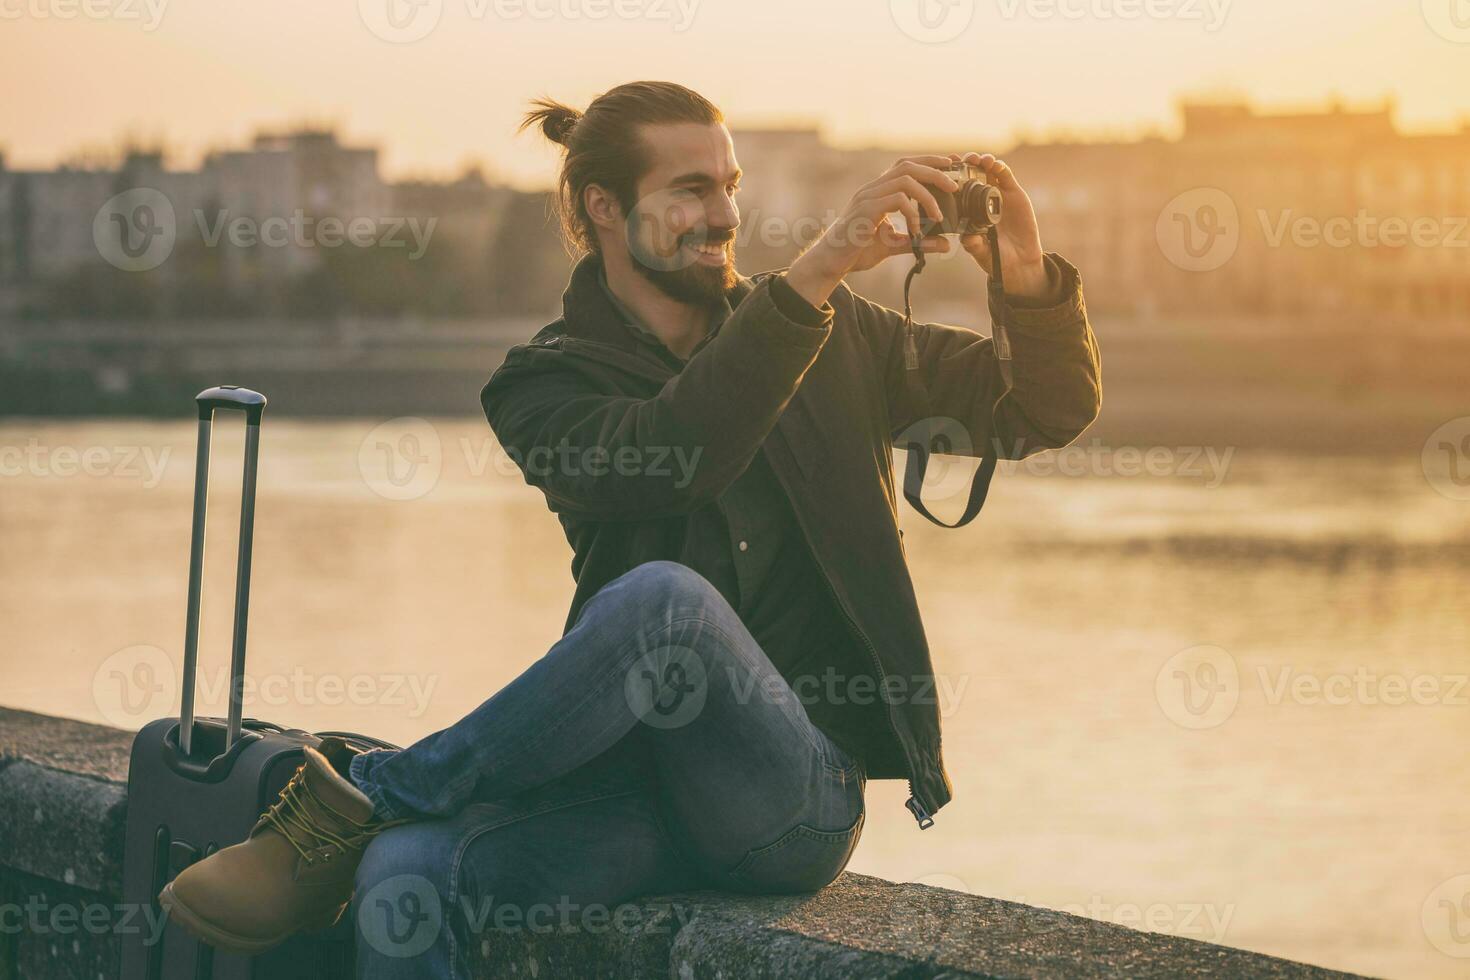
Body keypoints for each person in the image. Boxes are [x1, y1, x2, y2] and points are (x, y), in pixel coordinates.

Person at [159, 79, 1101, 978]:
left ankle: (368, 795)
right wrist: (819, 268)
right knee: (399, 878)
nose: (725, 216)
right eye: (690, 191)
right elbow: (676, 451)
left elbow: (1037, 412)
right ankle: (372, 829)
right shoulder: (542, 383)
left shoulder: (834, 329)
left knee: (664, 605)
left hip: (796, 798)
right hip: (628, 797)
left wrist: (1023, 272)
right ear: (604, 208)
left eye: (728, 186)